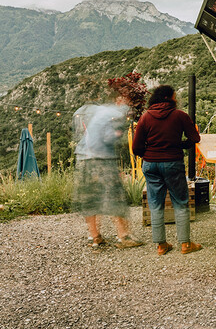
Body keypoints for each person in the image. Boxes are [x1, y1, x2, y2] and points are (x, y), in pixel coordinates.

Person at [131, 85, 202, 255]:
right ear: (168, 98)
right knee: (180, 202)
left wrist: (148, 154)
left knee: (155, 204)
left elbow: (136, 148)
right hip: (172, 163)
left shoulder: (145, 117)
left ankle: (161, 246)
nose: (176, 99)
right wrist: (179, 145)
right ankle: (185, 244)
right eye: (174, 96)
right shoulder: (180, 116)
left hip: (151, 164)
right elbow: (195, 138)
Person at [72, 94, 144, 250]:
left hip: (83, 158)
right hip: (101, 160)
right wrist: (118, 135)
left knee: (89, 199)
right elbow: (108, 138)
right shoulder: (115, 114)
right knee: (114, 196)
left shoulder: (89, 111)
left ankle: (95, 237)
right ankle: (123, 236)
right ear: (119, 102)